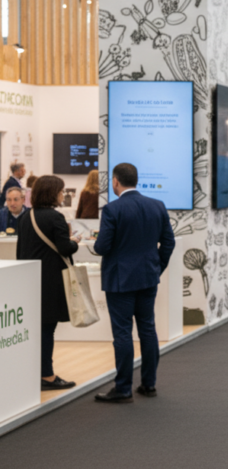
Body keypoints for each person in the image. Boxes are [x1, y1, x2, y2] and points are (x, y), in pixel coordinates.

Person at [92, 163, 176, 403]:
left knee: (122, 333)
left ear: (116, 182)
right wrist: (157, 268)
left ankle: (123, 388)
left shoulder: (112, 210)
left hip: (120, 280)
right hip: (148, 278)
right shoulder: (157, 206)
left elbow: (102, 247)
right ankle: (149, 385)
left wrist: (96, 244)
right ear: (136, 180)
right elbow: (169, 243)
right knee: (148, 330)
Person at [16, 176, 79, 391]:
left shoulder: (26, 216)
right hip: (52, 281)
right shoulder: (56, 218)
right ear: (53, 193)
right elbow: (65, 249)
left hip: (32, 281)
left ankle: (37, 372)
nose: (63, 195)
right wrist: (75, 242)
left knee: (38, 329)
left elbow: (21, 251)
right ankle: (47, 376)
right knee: (47, 330)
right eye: (61, 191)